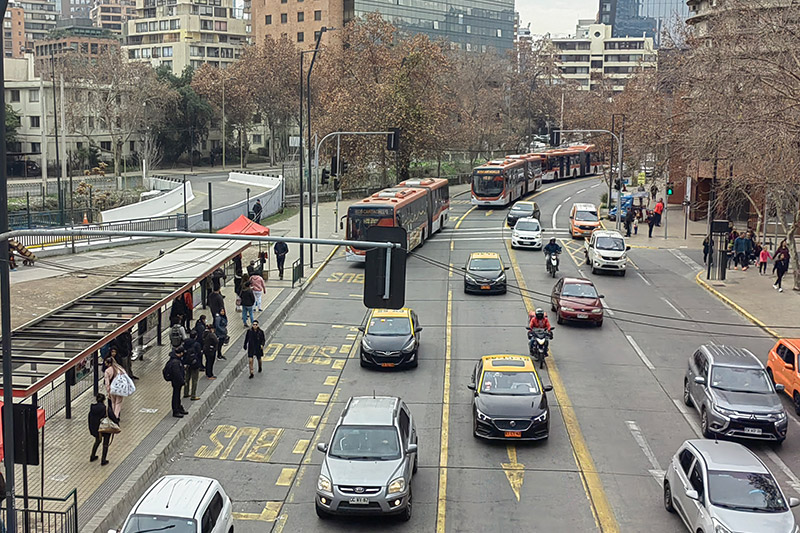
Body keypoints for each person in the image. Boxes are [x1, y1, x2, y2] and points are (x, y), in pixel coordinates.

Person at [88, 393, 118, 466]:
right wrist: (117, 424)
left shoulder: (92, 409)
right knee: (105, 444)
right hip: (105, 428)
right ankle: (103, 460)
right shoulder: (106, 409)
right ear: (104, 400)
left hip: (96, 429)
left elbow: (90, 419)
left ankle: (92, 455)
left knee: (97, 441)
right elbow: (113, 417)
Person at [165, 346, 188, 418]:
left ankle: (179, 407)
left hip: (176, 381)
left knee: (177, 395)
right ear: (180, 353)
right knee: (176, 395)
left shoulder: (174, 359)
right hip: (176, 381)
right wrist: (183, 381)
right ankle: (176, 410)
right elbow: (177, 374)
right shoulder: (176, 363)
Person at [104, 354, 126, 418]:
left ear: (108, 363)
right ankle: (116, 416)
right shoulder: (119, 368)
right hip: (120, 388)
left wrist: (108, 391)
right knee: (118, 403)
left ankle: (114, 416)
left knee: (113, 402)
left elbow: (107, 383)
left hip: (112, 389)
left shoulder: (107, 371)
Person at [183, 331, 202, 401]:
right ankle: (193, 395)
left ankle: (185, 392)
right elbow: (199, 353)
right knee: (194, 380)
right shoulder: (196, 344)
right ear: (196, 336)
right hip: (195, 364)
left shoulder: (186, 343)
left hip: (187, 363)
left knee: (187, 378)